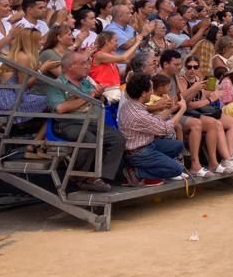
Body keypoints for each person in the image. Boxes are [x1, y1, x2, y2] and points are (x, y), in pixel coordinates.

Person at [45, 50, 126, 193]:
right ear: (71, 66)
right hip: (68, 123)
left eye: (87, 62)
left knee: (117, 138)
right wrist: (89, 96)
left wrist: (99, 96)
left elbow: (97, 101)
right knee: (88, 139)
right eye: (83, 63)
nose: (87, 66)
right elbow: (61, 108)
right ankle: (80, 176)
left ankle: (101, 177)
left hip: (92, 121)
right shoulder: (56, 84)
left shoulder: (86, 82)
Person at [118, 73, 187, 185]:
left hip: (146, 146)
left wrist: (171, 110)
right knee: (176, 170)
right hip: (139, 153)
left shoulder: (131, 104)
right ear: (144, 93)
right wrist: (182, 110)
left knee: (178, 145)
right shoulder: (138, 114)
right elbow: (164, 128)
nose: (152, 92)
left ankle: (155, 168)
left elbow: (154, 121)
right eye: (150, 89)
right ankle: (136, 173)